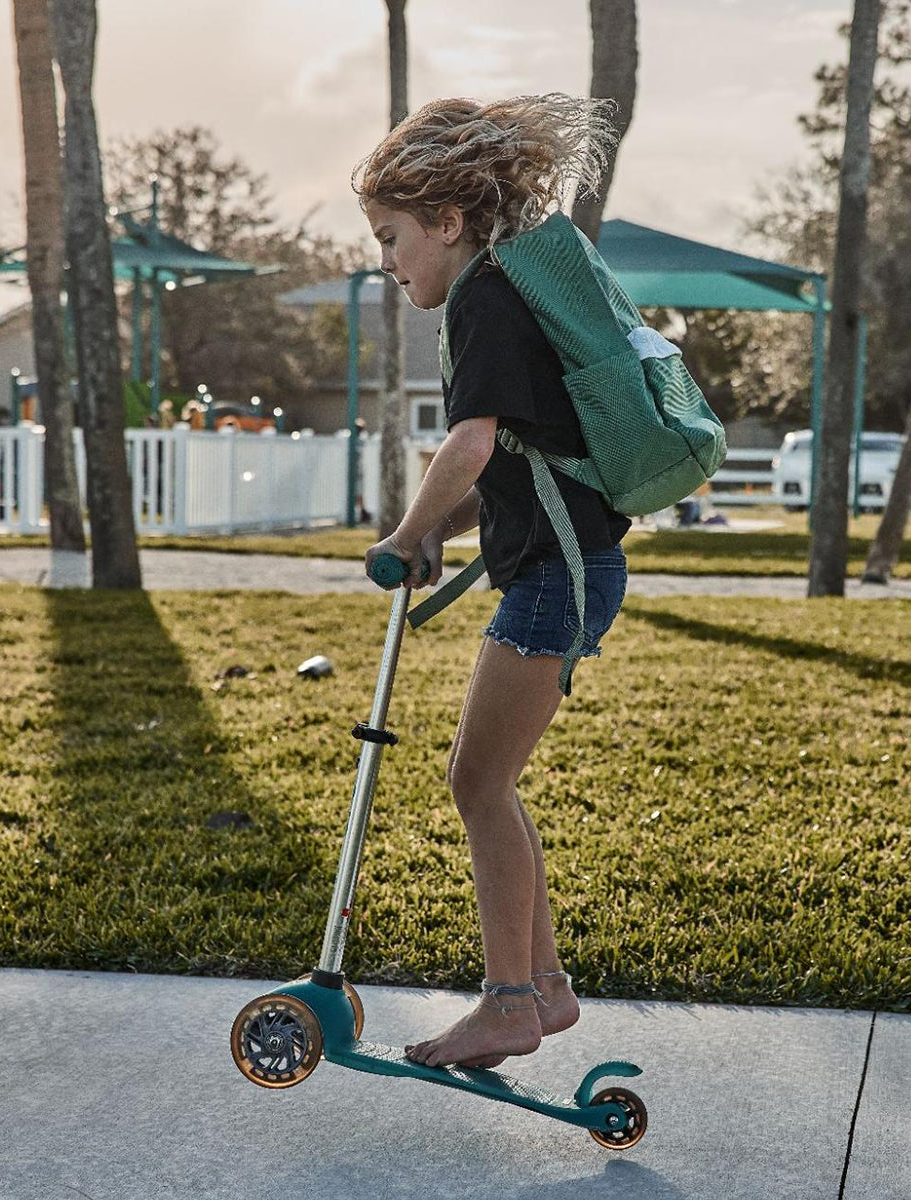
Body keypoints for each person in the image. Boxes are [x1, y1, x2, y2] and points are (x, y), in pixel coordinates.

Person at [353, 94, 630, 1070]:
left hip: (560, 577)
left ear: (448, 222)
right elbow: (517, 462)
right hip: (569, 565)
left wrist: (406, 530)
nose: (387, 263)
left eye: (392, 239)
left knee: (479, 782)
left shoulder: (483, 299)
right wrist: (440, 534)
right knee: (488, 782)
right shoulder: (506, 294)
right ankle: (543, 991)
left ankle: (509, 1001)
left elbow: (469, 445)